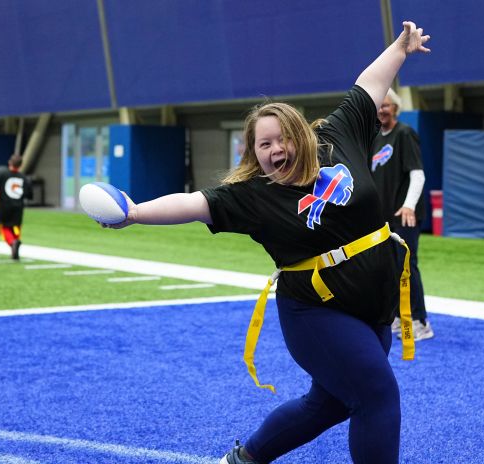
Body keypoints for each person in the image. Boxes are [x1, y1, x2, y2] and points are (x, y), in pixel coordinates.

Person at [102, 21, 430, 464]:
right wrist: (135, 213)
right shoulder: (252, 195)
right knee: (377, 395)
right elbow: (193, 203)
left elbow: (369, 84)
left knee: (329, 403)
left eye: (281, 138)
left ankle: (246, 458)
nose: (274, 149)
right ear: (253, 152)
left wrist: (400, 48)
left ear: (301, 134)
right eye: (263, 144)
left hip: (375, 303)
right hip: (315, 311)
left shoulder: (338, 137)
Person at [370, 88, 434, 341]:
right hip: (383, 217)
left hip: (404, 215)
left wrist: (408, 205)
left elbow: (418, 174)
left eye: (387, 106)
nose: (382, 110)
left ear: (395, 108)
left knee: (406, 266)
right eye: (379, 106)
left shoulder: (405, 134)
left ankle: (420, 321)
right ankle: (398, 315)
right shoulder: (375, 138)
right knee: (388, 268)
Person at [0, 154, 32, 260]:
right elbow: (30, 194)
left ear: (10, 162)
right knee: (16, 229)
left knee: (3, 228)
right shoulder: (23, 178)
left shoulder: (3, 175)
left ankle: (12, 243)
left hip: (4, 206)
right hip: (18, 208)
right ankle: (15, 247)